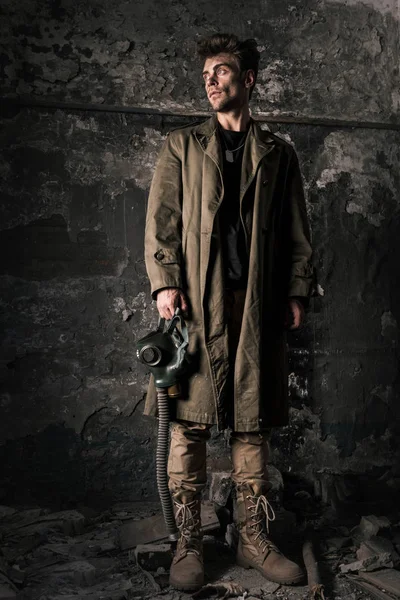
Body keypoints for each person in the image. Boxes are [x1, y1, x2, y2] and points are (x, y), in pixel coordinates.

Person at [144, 33, 315, 592]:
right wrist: (165, 284)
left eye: (221, 71)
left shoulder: (278, 153)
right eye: (206, 75)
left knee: (252, 424)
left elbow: (296, 233)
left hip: (255, 306)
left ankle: (252, 538)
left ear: (249, 80)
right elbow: (162, 223)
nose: (211, 82)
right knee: (188, 426)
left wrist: (294, 292)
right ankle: (188, 542)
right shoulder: (181, 147)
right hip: (196, 303)